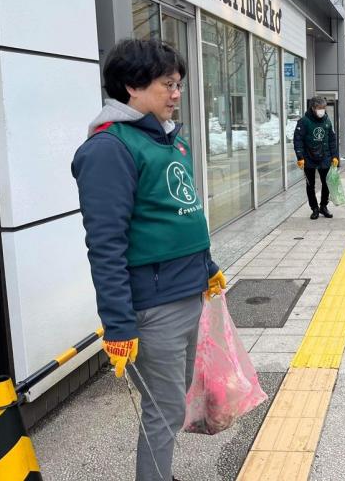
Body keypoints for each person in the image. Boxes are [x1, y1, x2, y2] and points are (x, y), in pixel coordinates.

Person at [71, 39, 226, 481]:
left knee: (172, 401)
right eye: (167, 85)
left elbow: (184, 214)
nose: (176, 94)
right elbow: (105, 244)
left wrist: (207, 268)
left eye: (178, 84)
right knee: (165, 408)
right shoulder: (109, 149)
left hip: (186, 291)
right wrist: (119, 325)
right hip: (152, 305)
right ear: (131, 87)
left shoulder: (168, 143)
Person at [294, 96, 339, 219]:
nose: (322, 110)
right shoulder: (304, 122)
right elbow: (298, 140)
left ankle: (324, 206)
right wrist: (300, 157)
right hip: (309, 157)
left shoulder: (327, 120)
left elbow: (332, 139)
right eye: (319, 108)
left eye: (324, 108)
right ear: (313, 108)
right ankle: (314, 208)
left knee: (327, 183)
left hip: (325, 157)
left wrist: (335, 156)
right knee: (310, 185)